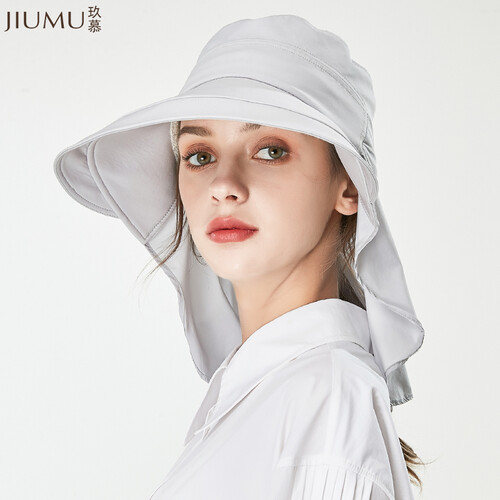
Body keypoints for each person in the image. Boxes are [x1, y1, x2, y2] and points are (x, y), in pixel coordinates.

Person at [53, 14, 426, 499]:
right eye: (200, 155)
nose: (223, 185)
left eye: (270, 151)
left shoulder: (327, 394)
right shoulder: (267, 392)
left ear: (349, 185)